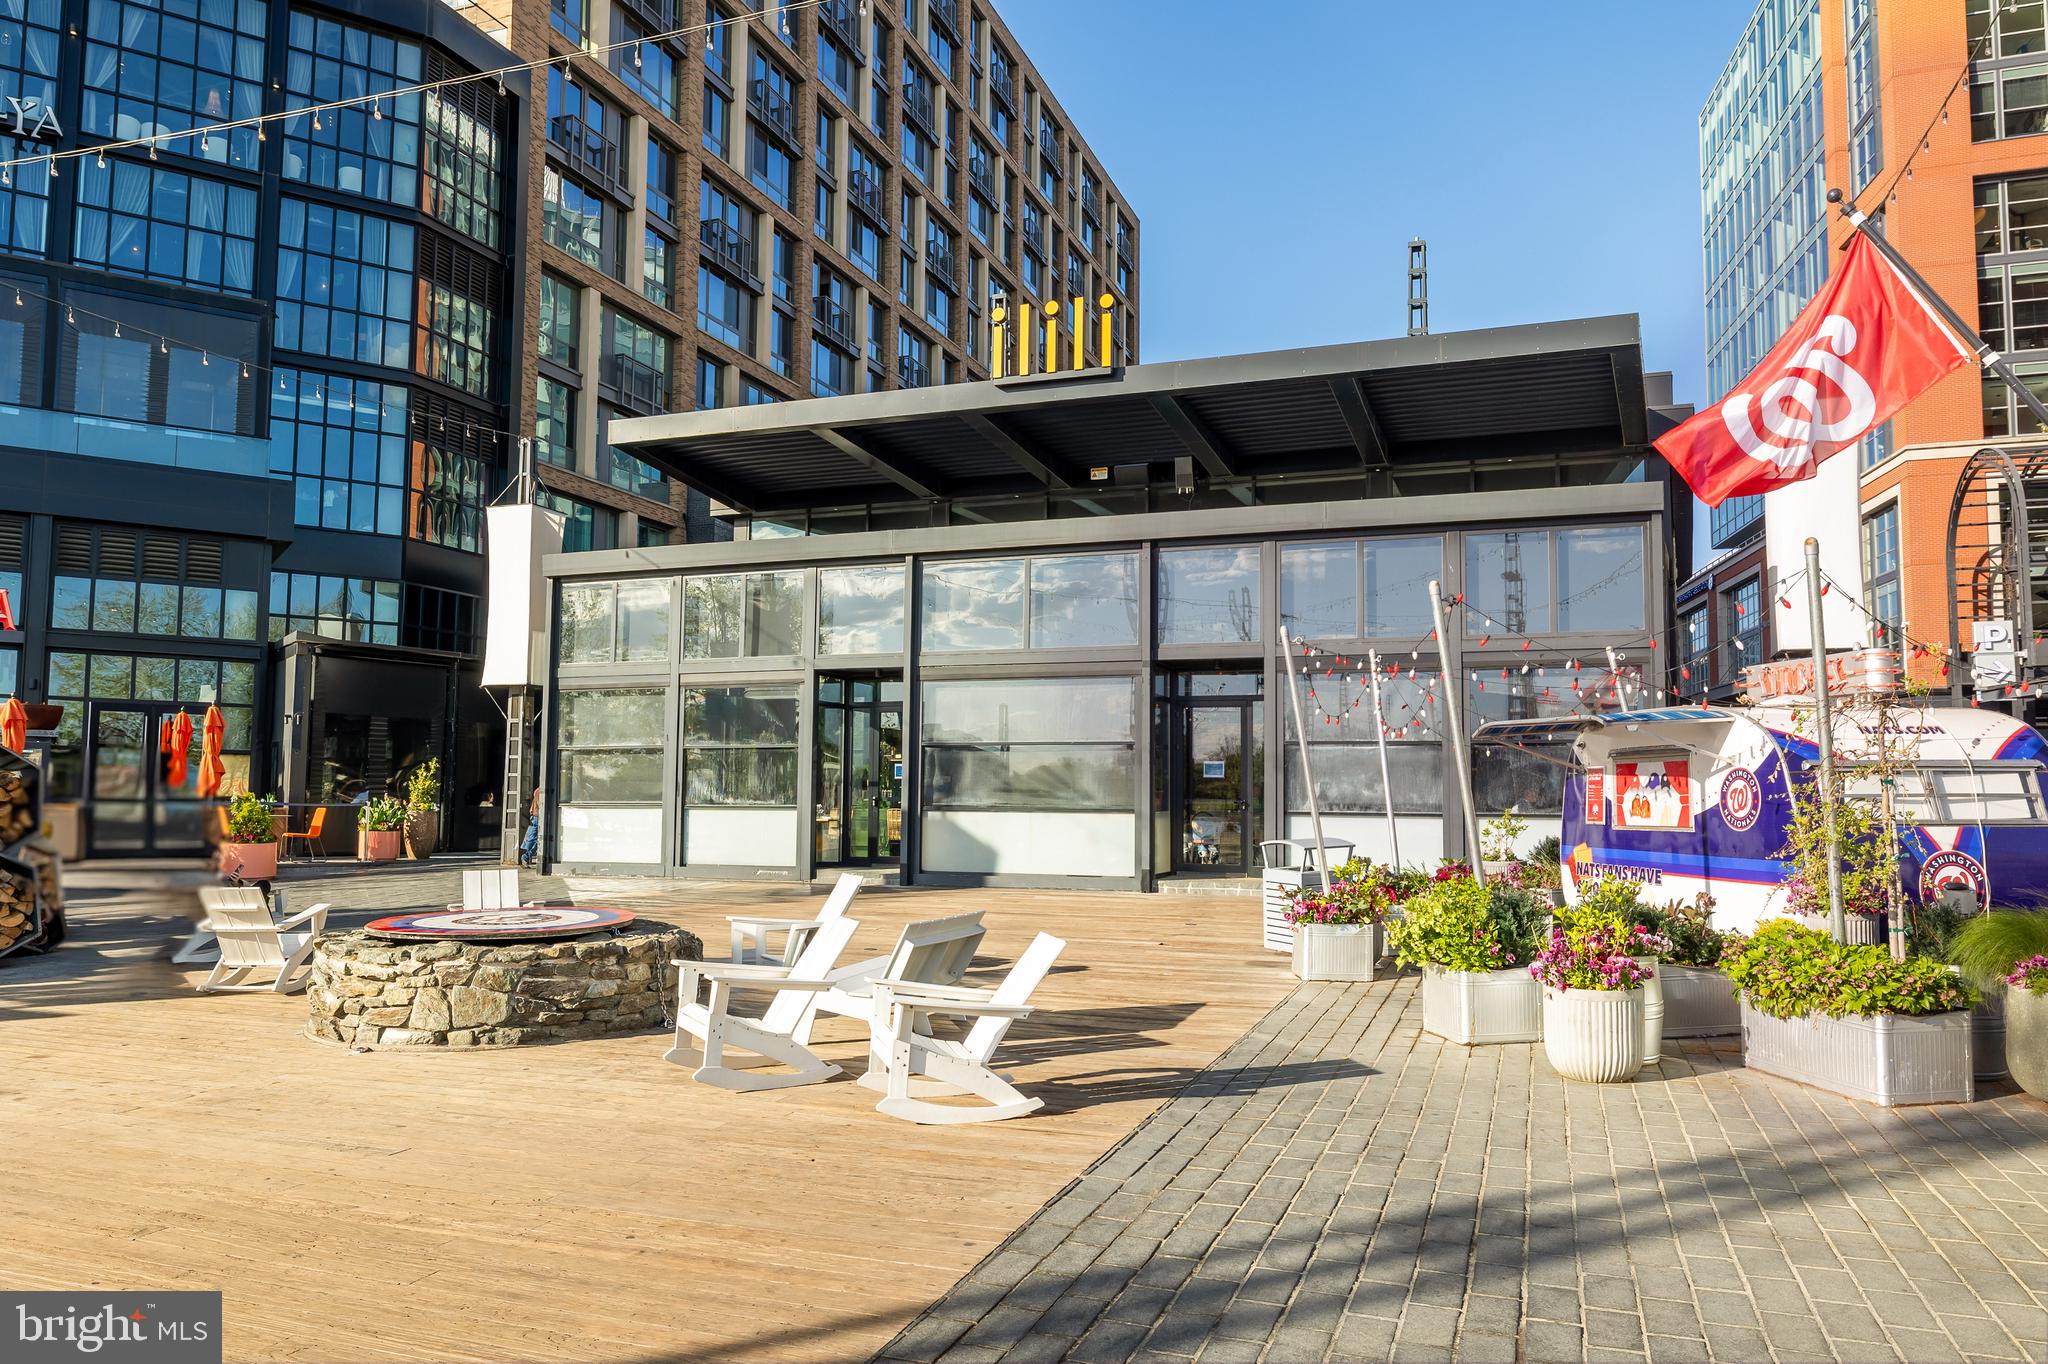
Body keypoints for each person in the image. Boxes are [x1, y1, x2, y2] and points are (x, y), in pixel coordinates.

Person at [518, 784, 542, 866]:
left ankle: (526, 857)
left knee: (535, 838)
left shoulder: (537, 790)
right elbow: (540, 805)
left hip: (536, 816)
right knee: (535, 839)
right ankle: (526, 857)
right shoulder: (540, 791)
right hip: (538, 816)